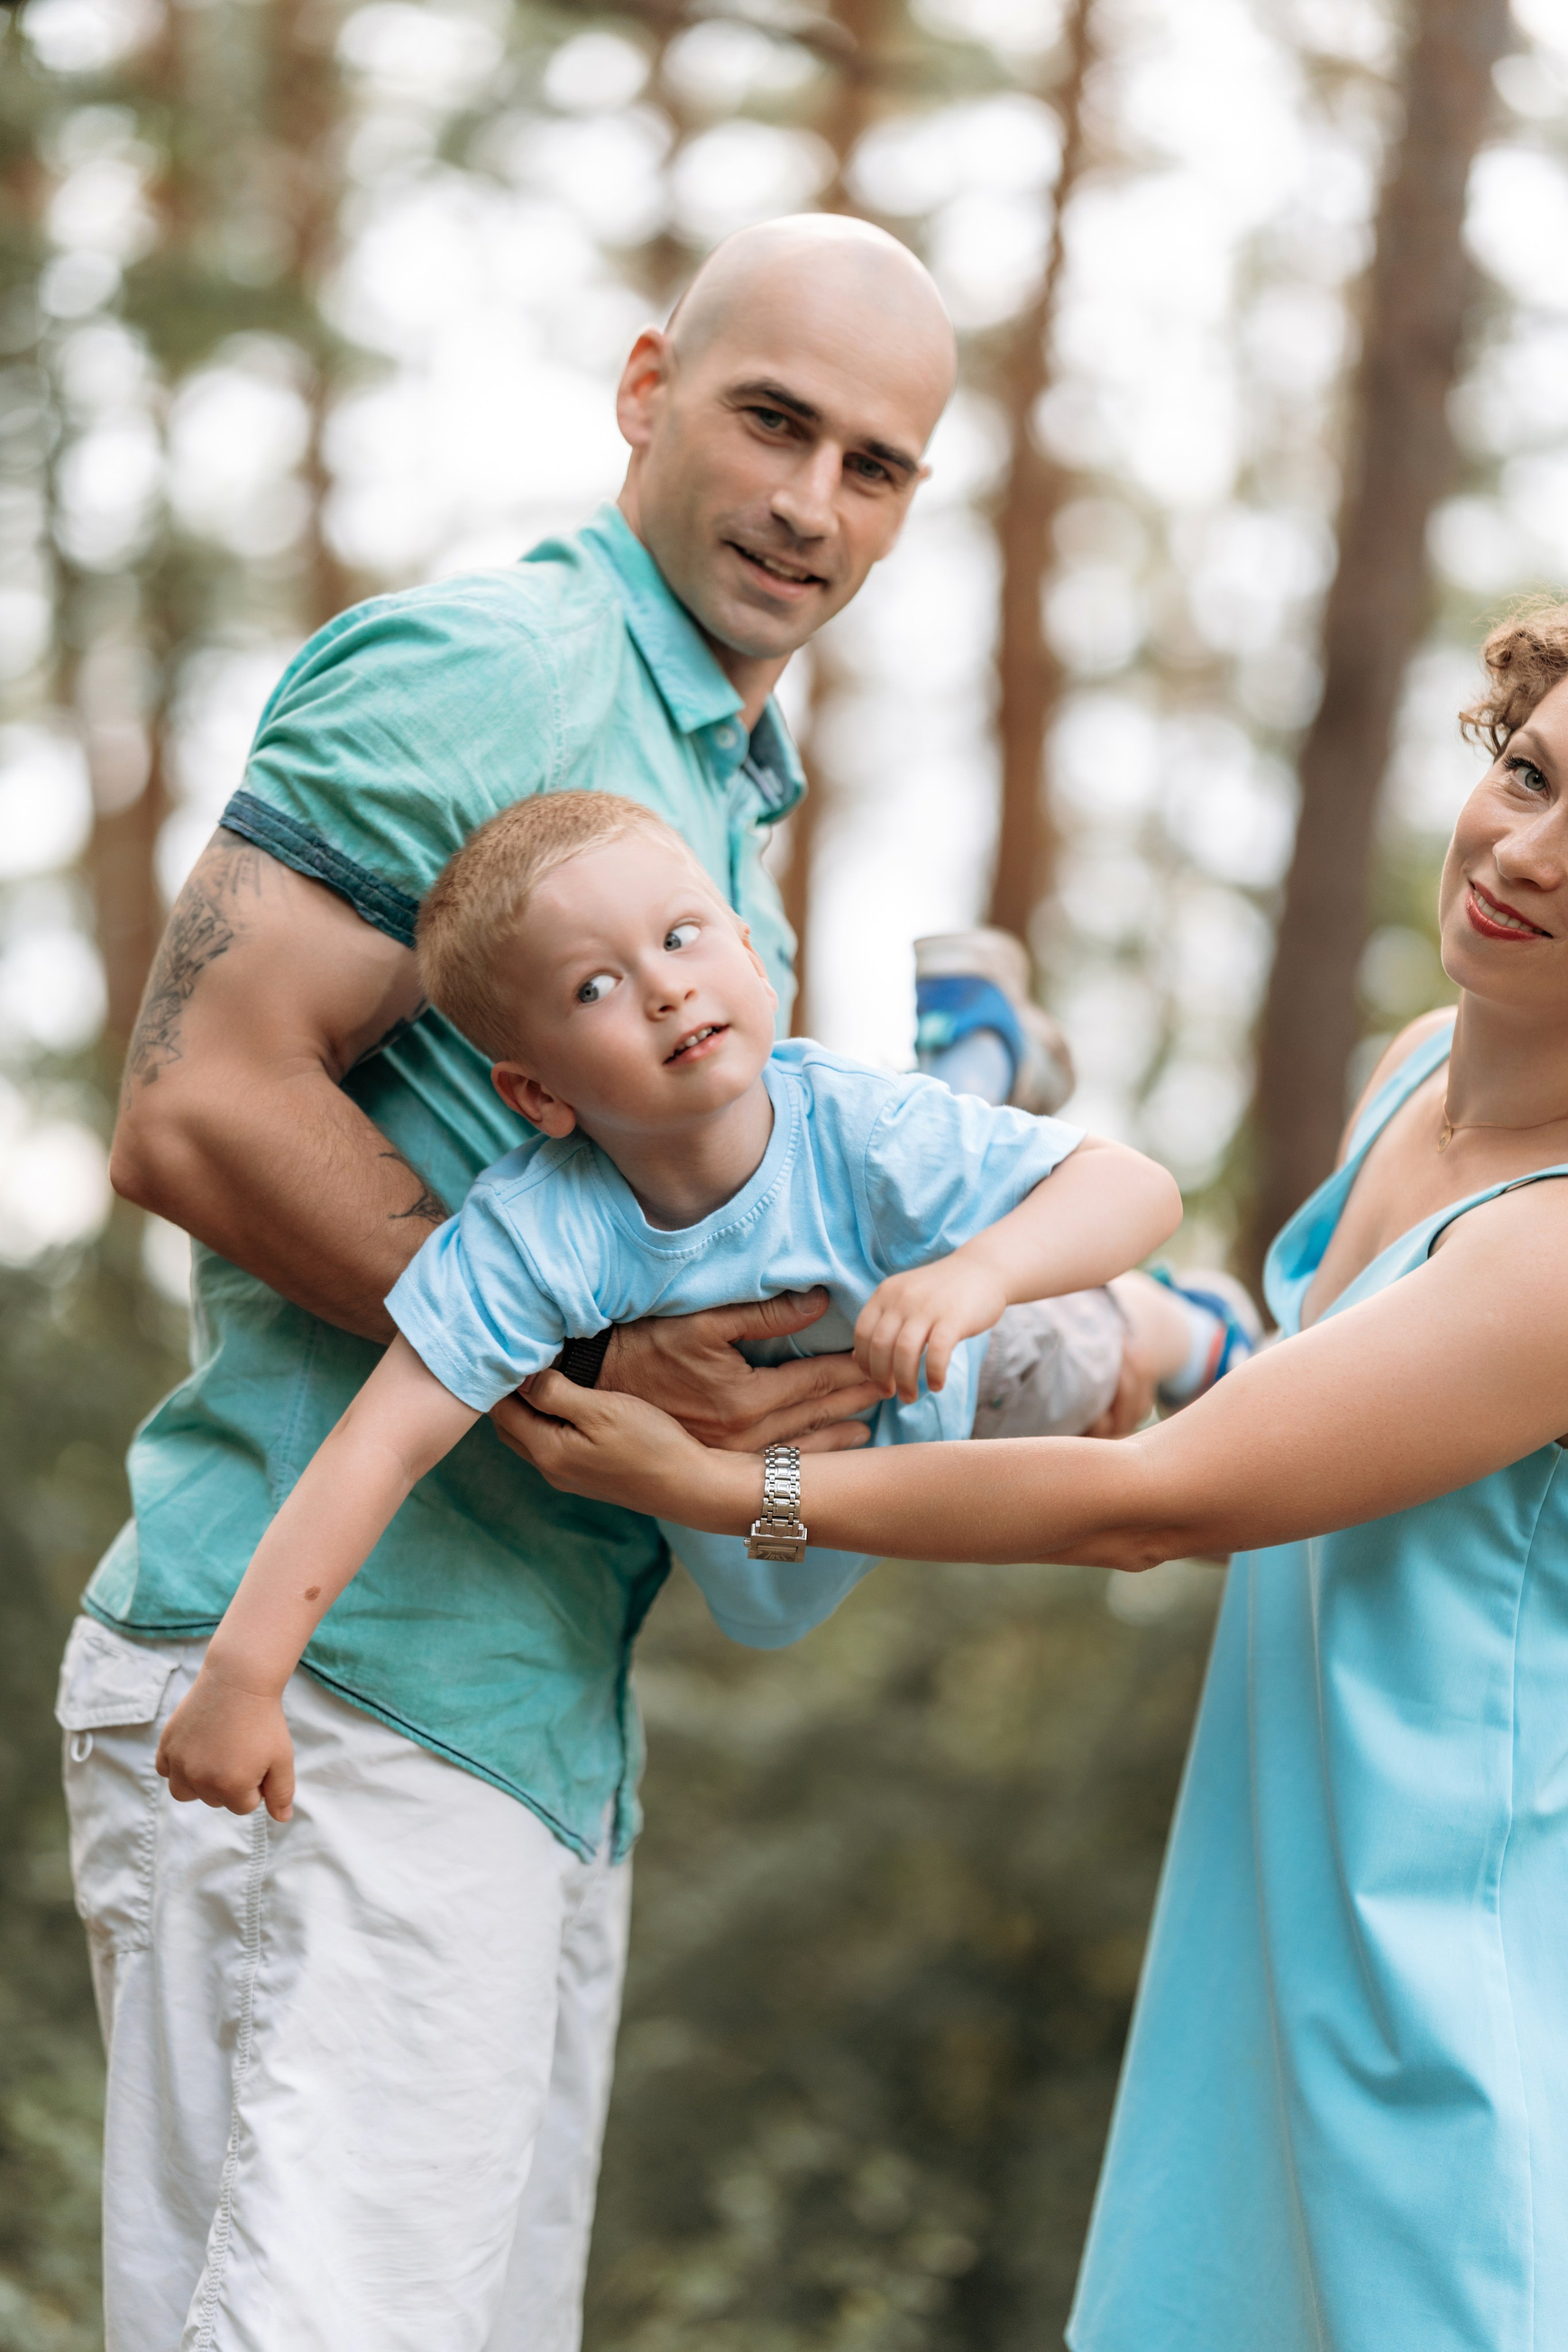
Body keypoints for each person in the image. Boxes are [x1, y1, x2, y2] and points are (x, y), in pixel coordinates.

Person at [56, 211, 1197, 2352]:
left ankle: (1088, 1230)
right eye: (772, 421)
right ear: (647, 387)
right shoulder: (509, 673)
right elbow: (195, 1104)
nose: (807, 504)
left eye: (874, 466)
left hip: (525, 1734)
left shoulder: (706, 789)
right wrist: (585, 1361)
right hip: (337, 1698)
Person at [504, 601, 1568, 2352]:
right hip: (1264, 1950)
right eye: (1527, 771)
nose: (1522, 850)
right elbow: (1290, 1374)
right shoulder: (1417, 1072)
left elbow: (1156, 1506)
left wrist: (732, 1495)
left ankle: (985, 1113)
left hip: (1456, 2003)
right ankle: (983, 1123)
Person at [153, 788, 1180, 1820]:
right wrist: (241, 1680)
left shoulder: (859, 1130)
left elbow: (1137, 1189)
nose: (664, 990)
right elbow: (378, 1445)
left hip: (960, 1383)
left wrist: (980, 1279)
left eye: (682, 937)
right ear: (537, 1095)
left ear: (746, 943)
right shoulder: (538, 1236)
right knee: (941, 1163)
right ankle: (985, 1040)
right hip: (769, 1537)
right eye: (595, 986)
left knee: (1095, 1346)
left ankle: (1201, 1321)